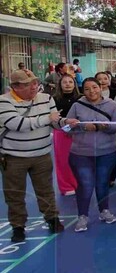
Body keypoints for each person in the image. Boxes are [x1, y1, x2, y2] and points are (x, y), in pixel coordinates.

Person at [0, 69, 76, 243]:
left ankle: (52, 219)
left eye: (34, 82)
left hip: (42, 155)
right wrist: (48, 119)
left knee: (46, 190)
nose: (34, 87)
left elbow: (55, 121)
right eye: (27, 84)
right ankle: (18, 226)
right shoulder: (4, 102)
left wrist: (65, 123)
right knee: (14, 194)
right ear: (15, 87)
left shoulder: (46, 98)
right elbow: (18, 124)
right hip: (13, 158)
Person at [66, 78, 116, 232]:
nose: (92, 91)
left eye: (95, 87)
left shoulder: (112, 105)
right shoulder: (77, 105)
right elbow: (68, 128)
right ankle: (82, 216)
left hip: (107, 152)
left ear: (101, 87)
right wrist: (84, 127)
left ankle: (104, 211)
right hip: (80, 153)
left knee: (103, 183)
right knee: (85, 185)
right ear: (82, 91)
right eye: (87, 89)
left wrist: (101, 127)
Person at [53, 75, 81, 196]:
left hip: (79, 132)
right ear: (60, 85)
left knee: (80, 160)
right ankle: (66, 186)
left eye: (70, 82)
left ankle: (80, 184)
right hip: (61, 132)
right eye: (65, 82)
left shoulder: (81, 99)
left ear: (74, 84)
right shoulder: (53, 99)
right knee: (63, 160)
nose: (68, 84)